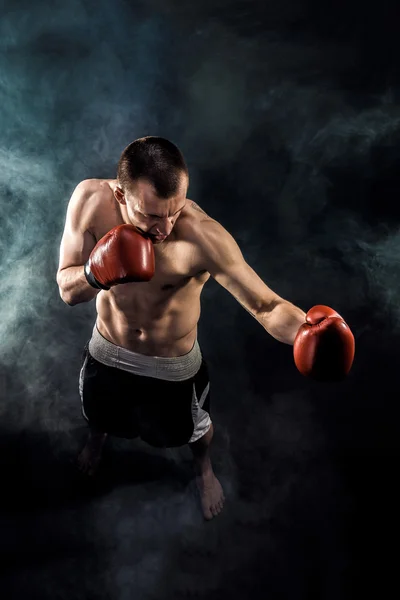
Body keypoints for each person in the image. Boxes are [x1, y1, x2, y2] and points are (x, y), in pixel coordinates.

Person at [56, 136, 355, 521]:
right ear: (119, 194)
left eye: (174, 211)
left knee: (194, 433)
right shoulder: (90, 200)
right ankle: (97, 442)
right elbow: (67, 289)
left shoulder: (202, 236)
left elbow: (266, 306)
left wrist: (306, 331)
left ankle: (204, 471)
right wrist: (95, 272)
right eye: (150, 216)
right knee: (98, 414)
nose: (164, 228)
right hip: (107, 351)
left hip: (172, 369)